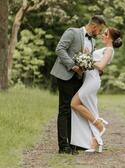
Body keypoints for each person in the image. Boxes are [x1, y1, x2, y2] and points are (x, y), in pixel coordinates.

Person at [50, 15, 106, 154]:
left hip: (80, 78)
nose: (99, 33)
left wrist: (96, 70)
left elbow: (89, 60)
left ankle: (74, 143)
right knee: (65, 110)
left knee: (75, 111)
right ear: (94, 26)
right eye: (99, 30)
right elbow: (60, 49)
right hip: (65, 75)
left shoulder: (92, 42)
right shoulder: (72, 32)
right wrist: (72, 66)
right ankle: (63, 146)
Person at [70, 28, 123, 153]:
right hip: (89, 79)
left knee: (74, 103)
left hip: (92, 82)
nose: (102, 35)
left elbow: (101, 65)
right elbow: (99, 68)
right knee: (90, 109)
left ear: (110, 38)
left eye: (105, 34)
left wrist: (87, 59)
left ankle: (99, 126)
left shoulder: (109, 50)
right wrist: (87, 56)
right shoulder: (104, 49)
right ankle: (95, 142)